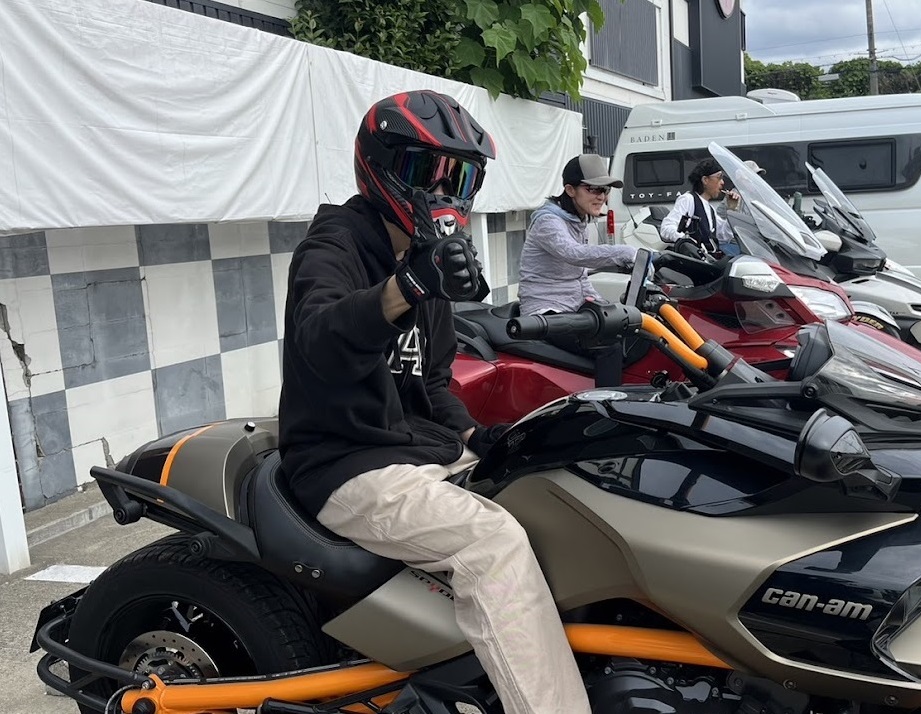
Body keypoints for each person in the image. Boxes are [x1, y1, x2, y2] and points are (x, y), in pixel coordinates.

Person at [278, 90, 591, 714]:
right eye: (427, 171)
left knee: (558, 494)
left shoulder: (428, 259)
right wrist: (406, 288)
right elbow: (319, 338)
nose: (445, 191)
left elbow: (435, 382)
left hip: (416, 449)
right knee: (491, 542)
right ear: (380, 167)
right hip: (345, 461)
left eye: (461, 177)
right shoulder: (335, 243)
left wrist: (480, 436)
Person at [518, 153, 640, 318]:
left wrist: (602, 303)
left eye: (605, 190)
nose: (602, 197)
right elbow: (574, 253)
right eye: (594, 189)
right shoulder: (548, 222)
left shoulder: (577, 221)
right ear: (570, 190)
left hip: (572, 307)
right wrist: (625, 252)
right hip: (545, 309)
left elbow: (580, 277)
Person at [659, 158, 742, 256]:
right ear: (705, 180)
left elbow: (724, 236)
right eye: (719, 177)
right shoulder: (688, 199)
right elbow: (666, 227)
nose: (722, 182)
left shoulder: (710, 209)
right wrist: (686, 240)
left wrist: (732, 210)